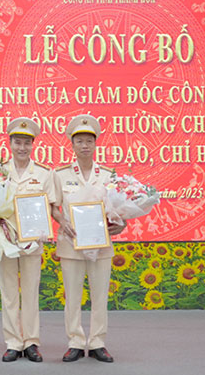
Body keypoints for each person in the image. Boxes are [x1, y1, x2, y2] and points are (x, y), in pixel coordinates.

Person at [52, 114, 127, 363]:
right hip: (70, 243)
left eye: (89, 141)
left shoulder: (107, 175)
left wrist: (121, 223)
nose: (84, 145)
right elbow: (53, 206)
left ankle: (97, 342)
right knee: (72, 297)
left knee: (100, 296)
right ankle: (74, 341)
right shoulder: (60, 175)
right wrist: (61, 221)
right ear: (72, 145)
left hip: (100, 244)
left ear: (95, 144)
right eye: (79, 141)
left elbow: (119, 208)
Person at [0, 117, 59, 363]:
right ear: (10, 144)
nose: (22, 148)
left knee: (30, 293)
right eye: (18, 142)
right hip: (5, 240)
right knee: (8, 293)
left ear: (33, 145)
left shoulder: (44, 174)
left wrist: (47, 229)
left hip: (33, 241)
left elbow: (51, 206)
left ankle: (31, 342)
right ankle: (13, 343)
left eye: (27, 143)